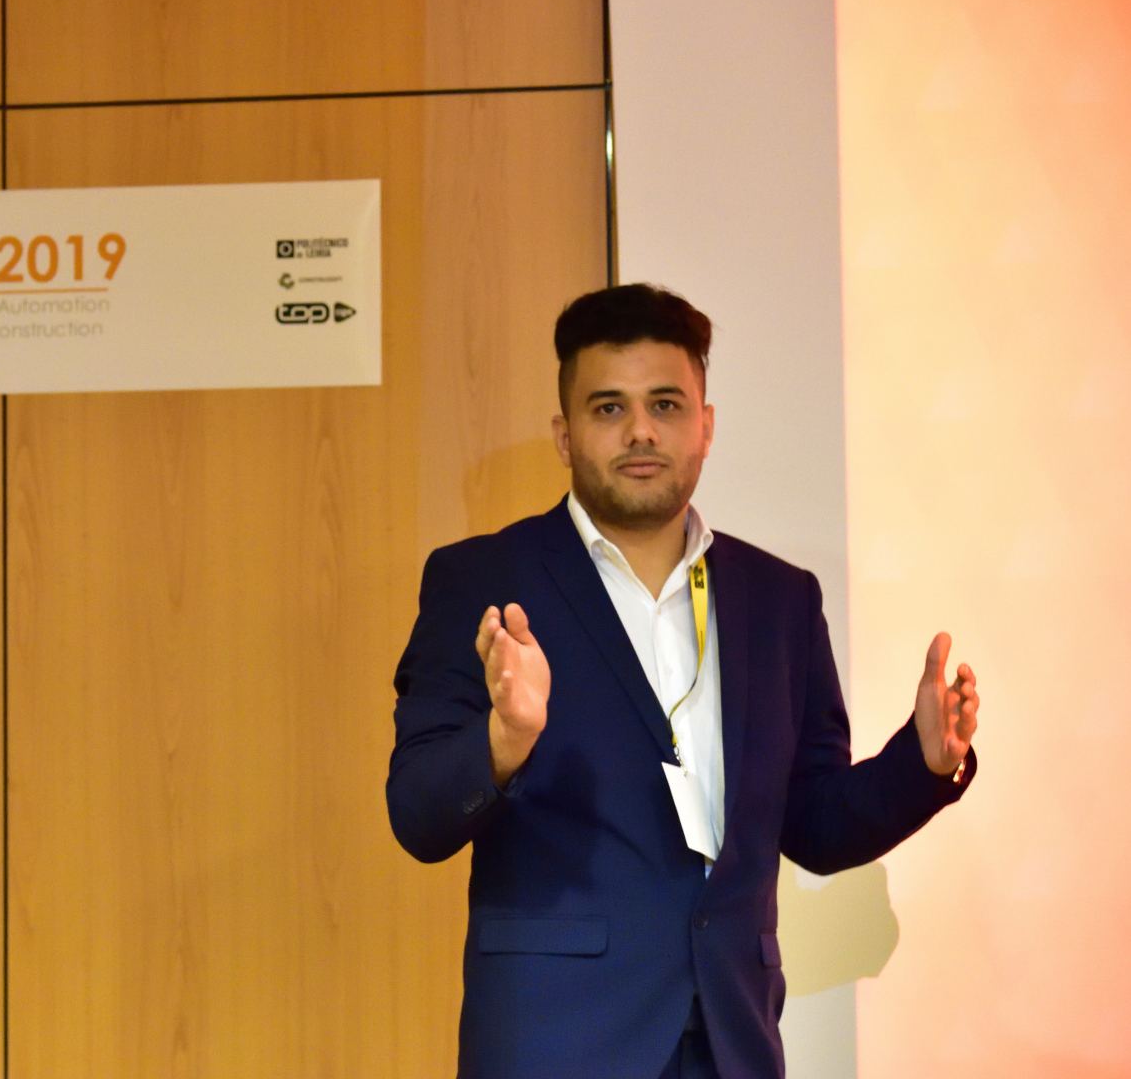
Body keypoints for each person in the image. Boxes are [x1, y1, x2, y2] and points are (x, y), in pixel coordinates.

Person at [385, 284, 979, 1078]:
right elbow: (418, 816)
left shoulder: (780, 599)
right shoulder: (483, 580)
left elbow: (816, 826)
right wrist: (503, 741)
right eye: (608, 408)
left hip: (730, 1041)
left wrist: (924, 765)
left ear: (706, 424)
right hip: (554, 1047)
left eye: (665, 404)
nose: (641, 430)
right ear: (564, 435)